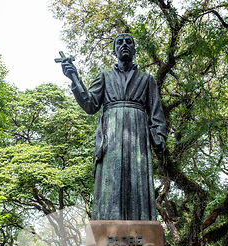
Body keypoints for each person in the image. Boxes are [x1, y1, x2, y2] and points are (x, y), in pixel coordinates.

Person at [60, 33, 166, 221]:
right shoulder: (104, 76)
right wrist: (74, 78)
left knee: (138, 179)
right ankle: (108, 222)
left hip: (137, 135)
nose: (124, 45)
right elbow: (90, 105)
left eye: (129, 42)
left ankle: (140, 223)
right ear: (114, 50)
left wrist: (159, 136)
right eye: (119, 42)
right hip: (111, 136)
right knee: (111, 177)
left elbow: (156, 112)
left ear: (134, 49)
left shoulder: (146, 79)